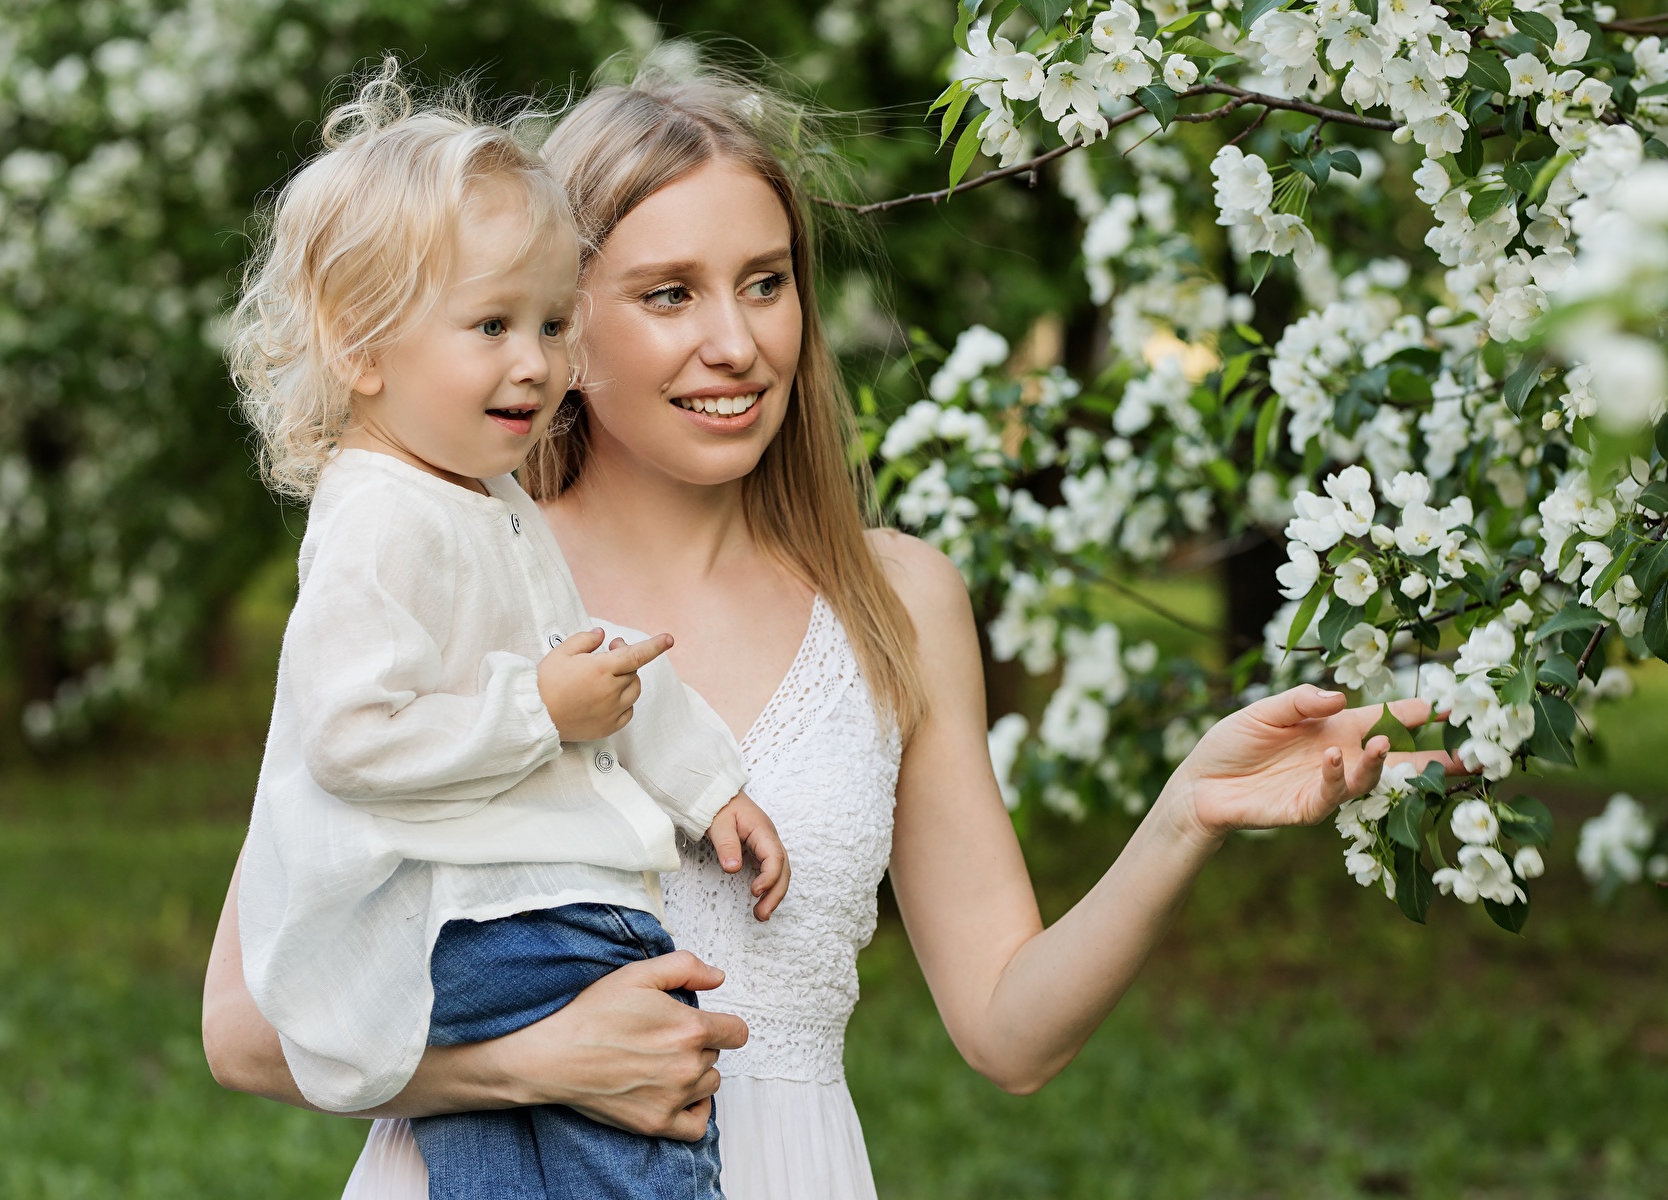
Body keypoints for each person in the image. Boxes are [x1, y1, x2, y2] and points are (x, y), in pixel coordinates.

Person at [203, 51, 1458, 1200]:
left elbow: (1010, 1033)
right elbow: (248, 1029)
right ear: (564, 321)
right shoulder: (440, 557)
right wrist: (537, 1064)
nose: (737, 342)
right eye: (667, 293)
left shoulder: (897, 598)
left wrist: (1189, 812)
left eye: (765, 282)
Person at [222, 61, 788, 1200]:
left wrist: (706, 782)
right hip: (490, 926)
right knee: (645, 1086)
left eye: (548, 322)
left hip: (475, 929)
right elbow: (354, 737)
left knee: (489, 1171)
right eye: (490, 324)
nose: (534, 363)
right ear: (359, 345)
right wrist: (539, 711)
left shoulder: (473, 497)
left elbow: (590, 654)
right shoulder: (382, 518)